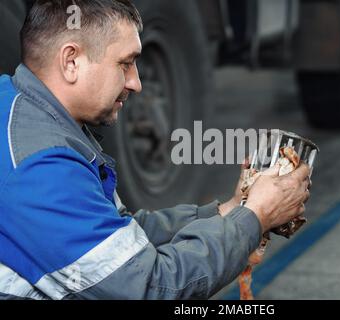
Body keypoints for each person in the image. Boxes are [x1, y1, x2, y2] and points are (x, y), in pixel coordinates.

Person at [0, 0, 311, 300]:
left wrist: (229, 212)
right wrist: (255, 217)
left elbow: (113, 236)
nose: (136, 83)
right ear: (71, 62)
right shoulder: (42, 167)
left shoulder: (21, 106)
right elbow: (150, 287)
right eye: (125, 64)